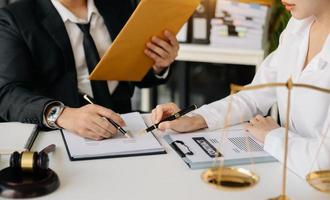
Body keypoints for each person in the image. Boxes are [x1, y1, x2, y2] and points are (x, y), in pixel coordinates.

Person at [151, 0, 330, 177]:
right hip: (288, 172)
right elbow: (254, 96)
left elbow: (325, 161)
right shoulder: (298, 27)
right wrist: (197, 119)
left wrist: (273, 136)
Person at [0, 0, 179, 140]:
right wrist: (61, 114)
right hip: (58, 135)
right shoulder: (14, 18)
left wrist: (159, 65)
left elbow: (137, 74)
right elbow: (7, 94)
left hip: (124, 126)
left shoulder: (122, 5)